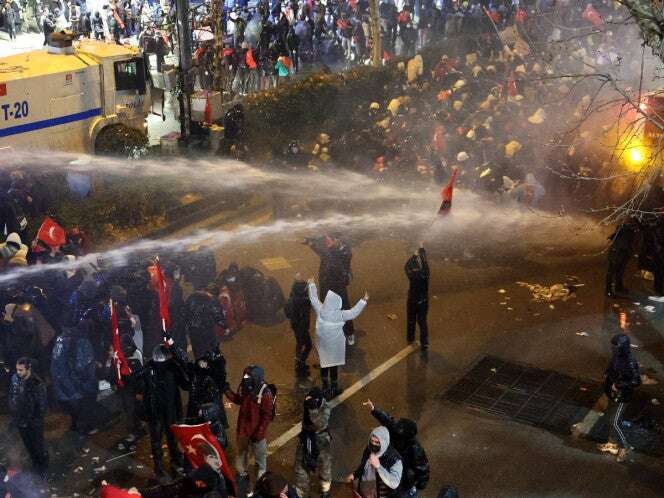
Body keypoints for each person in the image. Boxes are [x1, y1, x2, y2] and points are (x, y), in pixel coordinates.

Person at [136, 342, 189, 478]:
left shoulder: (166, 368)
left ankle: (171, 462)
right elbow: (137, 383)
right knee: (161, 440)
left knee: (167, 439)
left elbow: (186, 383)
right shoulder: (153, 369)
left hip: (166, 410)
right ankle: (163, 465)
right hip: (159, 411)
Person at [307, 278, 367, 398]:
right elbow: (353, 312)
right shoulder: (340, 315)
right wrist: (363, 301)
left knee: (324, 364)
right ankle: (334, 386)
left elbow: (313, 298)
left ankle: (324, 383)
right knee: (333, 365)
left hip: (323, 345)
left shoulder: (320, 310)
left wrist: (312, 284)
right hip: (334, 347)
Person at [224, 365, 274, 492]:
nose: (245, 377)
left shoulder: (265, 393)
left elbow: (267, 416)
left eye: (248, 376)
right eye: (245, 375)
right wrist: (227, 390)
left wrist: (259, 432)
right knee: (241, 459)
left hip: (257, 436)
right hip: (244, 432)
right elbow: (238, 399)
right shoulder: (246, 387)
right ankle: (242, 483)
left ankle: (260, 487)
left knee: (260, 463)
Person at [365, 400, 429, 497]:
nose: (396, 430)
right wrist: (374, 409)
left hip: (405, 479)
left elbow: (422, 469)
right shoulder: (398, 432)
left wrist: (419, 484)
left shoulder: (416, 450)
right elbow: (388, 420)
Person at [50, 318, 99, 439]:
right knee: (83, 407)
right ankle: (82, 432)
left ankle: (75, 426)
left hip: (61, 382)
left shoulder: (61, 338)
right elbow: (83, 365)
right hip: (74, 383)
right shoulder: (81, 340)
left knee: (73, 410)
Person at [304, 235, 356, 345]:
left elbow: (335, 255)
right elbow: (320, 251)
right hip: (327, 285)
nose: (327, 243)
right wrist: (310, 243)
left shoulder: (344, 253)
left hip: (338, 285)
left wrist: (313, 244)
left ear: (337, 240)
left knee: (344, 309)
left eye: (329, 241)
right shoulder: (330, 252)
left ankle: (349, 332)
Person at [597, 332, 641, 462]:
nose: (613, 349)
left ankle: (624, 446)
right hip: (613, 393)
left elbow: (636, 381)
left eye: (616, 347)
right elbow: (612, 367)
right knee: (609, 418)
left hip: (622, 396)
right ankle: (612, 443)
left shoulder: (630, 362)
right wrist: (607, 374)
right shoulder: (617, 356)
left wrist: (619, 385)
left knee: (614, 421)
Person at [8, 357, 49, 479]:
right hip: (21, 420)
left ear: (28, 369)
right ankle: (35, 464)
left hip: (33, 422)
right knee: (29, 445)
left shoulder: (36, 383)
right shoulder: (15, 379)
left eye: (21, 370)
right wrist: (14, 410)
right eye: (17, 369)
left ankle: (43, 468)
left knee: (38, 446)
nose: (18, 372)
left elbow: (42, 405)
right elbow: (12, 395)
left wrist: (35, 419)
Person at [294, 388, 332, 498]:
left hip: (321, 442)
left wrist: (313, 409)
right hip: (306, 440)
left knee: (324, 467)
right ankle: (303, 493)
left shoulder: (325, 407)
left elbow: (320, 424)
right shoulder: (308, 403)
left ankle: (325, 490)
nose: (307, 400)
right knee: (300, 469)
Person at [347, 426, 403, 498]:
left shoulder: (395, 460)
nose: (373, 444)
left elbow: (394, 483)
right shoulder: (369, 449)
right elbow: (364, 464)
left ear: (384, 442)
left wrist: (378, 467)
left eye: (377, 442)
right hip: (364, 488)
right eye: (372, 441)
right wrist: (355, 474)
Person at [181, 284, 226, 359]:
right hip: (207, 331)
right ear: (215, 294)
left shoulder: (193, 296)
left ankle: (201, 365)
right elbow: (220, 320)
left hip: (193, 331)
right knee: (210, 351)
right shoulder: (213, 301)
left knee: (198, 351)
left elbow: (184, 312)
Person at [285, 274, 312, 379]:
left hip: (296, 326)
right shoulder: (305, 301)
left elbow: (287, 312)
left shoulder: (292, 298)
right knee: (307, 345)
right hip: (302, 327)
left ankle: (299, 363)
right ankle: (300, 366)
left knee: (300, 344)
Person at [405, 243, 429, 350]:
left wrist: (414, 255)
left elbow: (406, 266)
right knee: (422, 321)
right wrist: (422, 249)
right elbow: (425, 263)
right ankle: (424, 343)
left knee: (411, 319)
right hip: (422, 301)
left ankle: (410, 337)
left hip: (412, 300)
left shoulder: (412, 275)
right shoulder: (425, 274)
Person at [605, 220, 638, 298]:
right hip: (616, 253)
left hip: (622, 253)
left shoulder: (630, 231)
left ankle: (618, 287)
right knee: (612, 272)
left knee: (620, 271)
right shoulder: (624, 231)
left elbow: (630, 244)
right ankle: (608, 290)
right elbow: (624, 244)